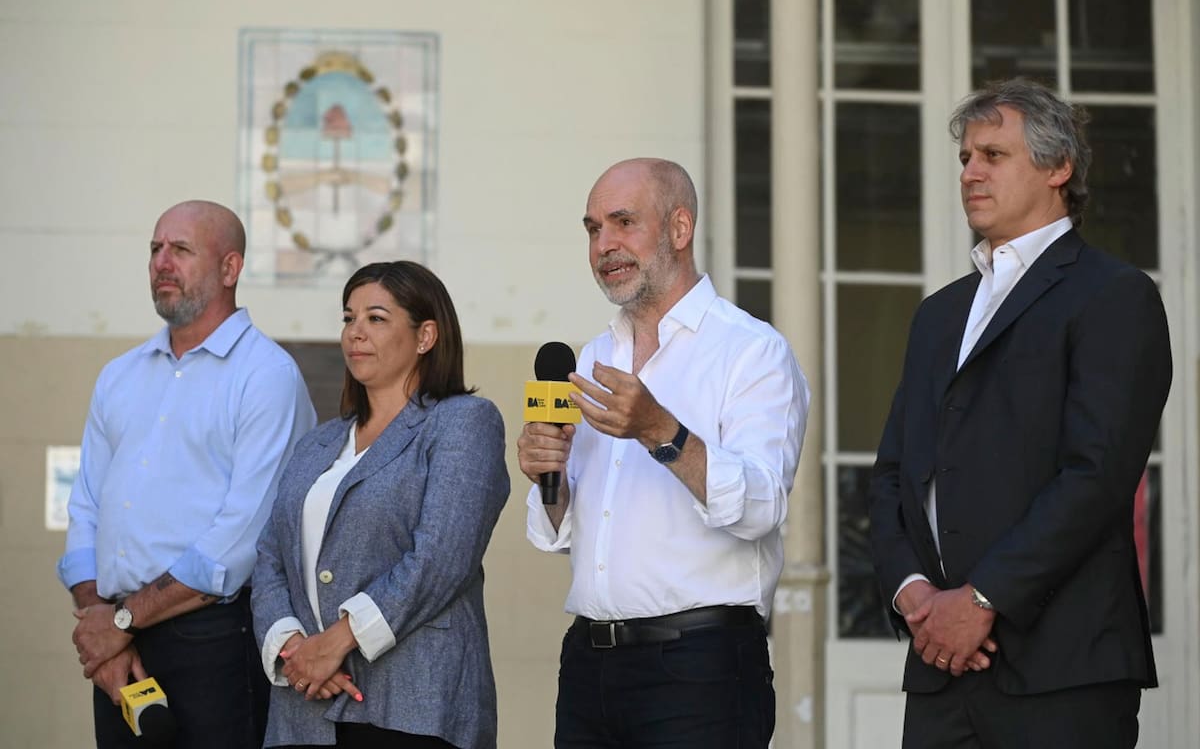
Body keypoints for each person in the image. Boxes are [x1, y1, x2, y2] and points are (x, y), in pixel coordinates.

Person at [868, 78, 1171, 748]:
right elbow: (894, 473)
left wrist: (981, 601)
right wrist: (915, 595)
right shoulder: (939, 314)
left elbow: (1096, 476)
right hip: (940, 667)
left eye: (993, 155)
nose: (970, 172)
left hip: (1063, 670)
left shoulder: (1113, 296)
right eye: (965, 158)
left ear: (1058, 167)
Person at [518, 158, 810, 748]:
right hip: (588, 664)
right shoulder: (591, 357)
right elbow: (569, 532)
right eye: (593, 229)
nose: (605, 245)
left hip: (699, 671)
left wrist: (661, 431)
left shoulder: (750, 352)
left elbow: (760, 508)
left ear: (680, 229)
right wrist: (551, 478)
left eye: (623, 222)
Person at [58, 200, 318, 748]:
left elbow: (239, 541)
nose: (161, 263)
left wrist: (119, 623)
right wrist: (101, 624)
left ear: (230, 268)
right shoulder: (119, 375)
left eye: (180, 249)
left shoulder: (266, 376)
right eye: (155, 249)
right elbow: (86, 508)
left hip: (213, 642)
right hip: (118, 644)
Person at [252, 260, 510, 749]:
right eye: (348, 318)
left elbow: (439, 560)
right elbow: (269, 557)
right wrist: (294, 650)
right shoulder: (319, 442)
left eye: (375, 318)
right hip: (304, 708)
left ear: (425, 336)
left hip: (413, 709)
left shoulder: (462, 423)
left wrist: (336, 641)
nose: (355, 333)